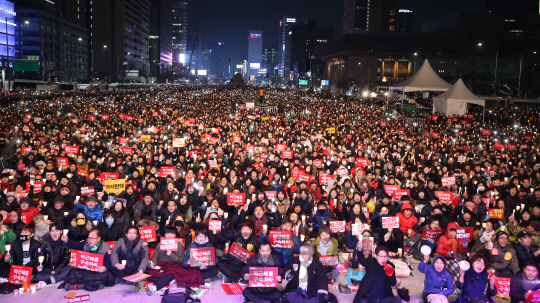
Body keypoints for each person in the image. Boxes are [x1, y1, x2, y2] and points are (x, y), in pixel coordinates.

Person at [146, 227, 204, 295]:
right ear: (164, 235)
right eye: (167, 233)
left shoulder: (179, 245)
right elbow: (155, 257)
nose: (170, 236)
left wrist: (171, 255)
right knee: (148, 274)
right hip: (162, 265)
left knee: (171, 273)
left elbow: (181, 260)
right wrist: (153, 264)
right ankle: (171, 280)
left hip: (174, 266)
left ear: (175, 235)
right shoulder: (159, 244)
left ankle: (155, 287)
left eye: (172, 234)